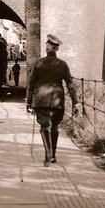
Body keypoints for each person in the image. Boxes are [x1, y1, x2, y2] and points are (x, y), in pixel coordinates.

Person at [26, 35, 81, 166]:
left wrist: (28, 101)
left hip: (41, 101)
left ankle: (48, 154)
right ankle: (53, 156)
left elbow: (31, 84)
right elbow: (70, 84)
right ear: (56, 49)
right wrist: (76, 102)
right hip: (57, 101)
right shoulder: (62, 64)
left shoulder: (39, 63)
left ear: (47, 47)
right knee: (55, 127)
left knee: (45, 127)